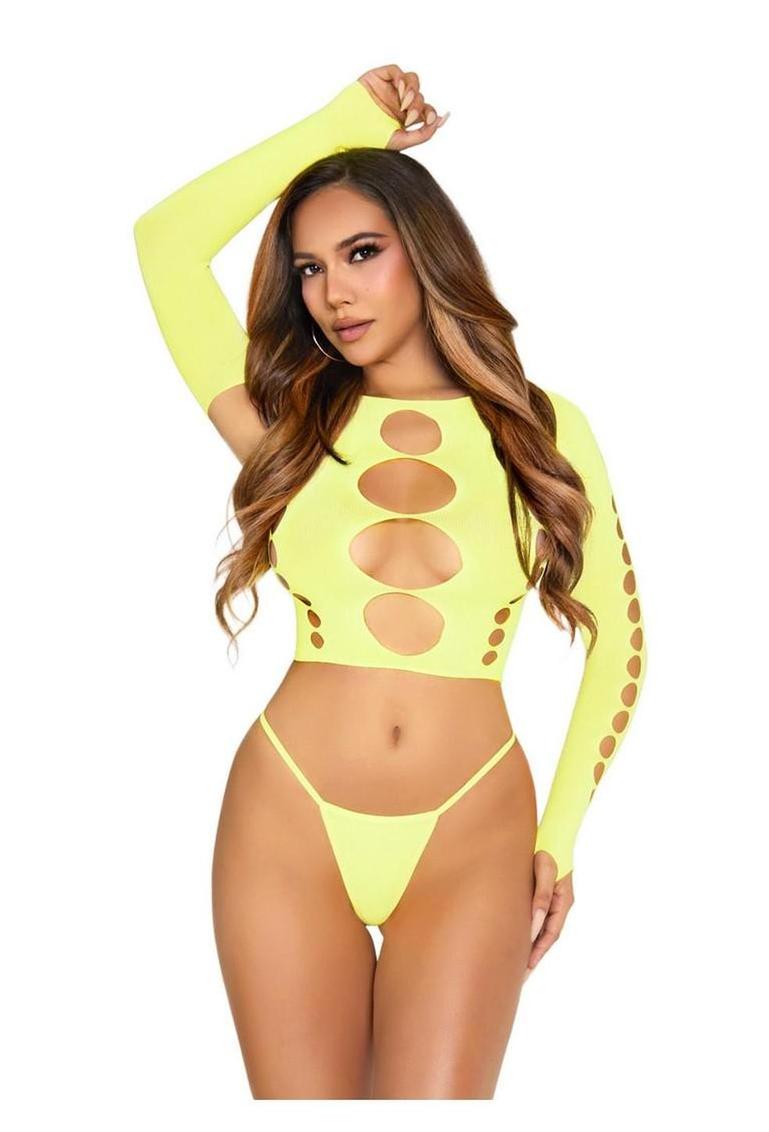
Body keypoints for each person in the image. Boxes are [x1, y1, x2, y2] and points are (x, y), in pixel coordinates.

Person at [132, 62, 647, 1100]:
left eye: (362, 252)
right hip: (286, 819)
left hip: (474, 830)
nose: (333, 293)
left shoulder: (544, 430)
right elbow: (164, 243)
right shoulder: (285, 426)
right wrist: (334, 128)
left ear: (425, 250)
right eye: (310, 267)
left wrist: (557, 838)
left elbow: (620, 641)